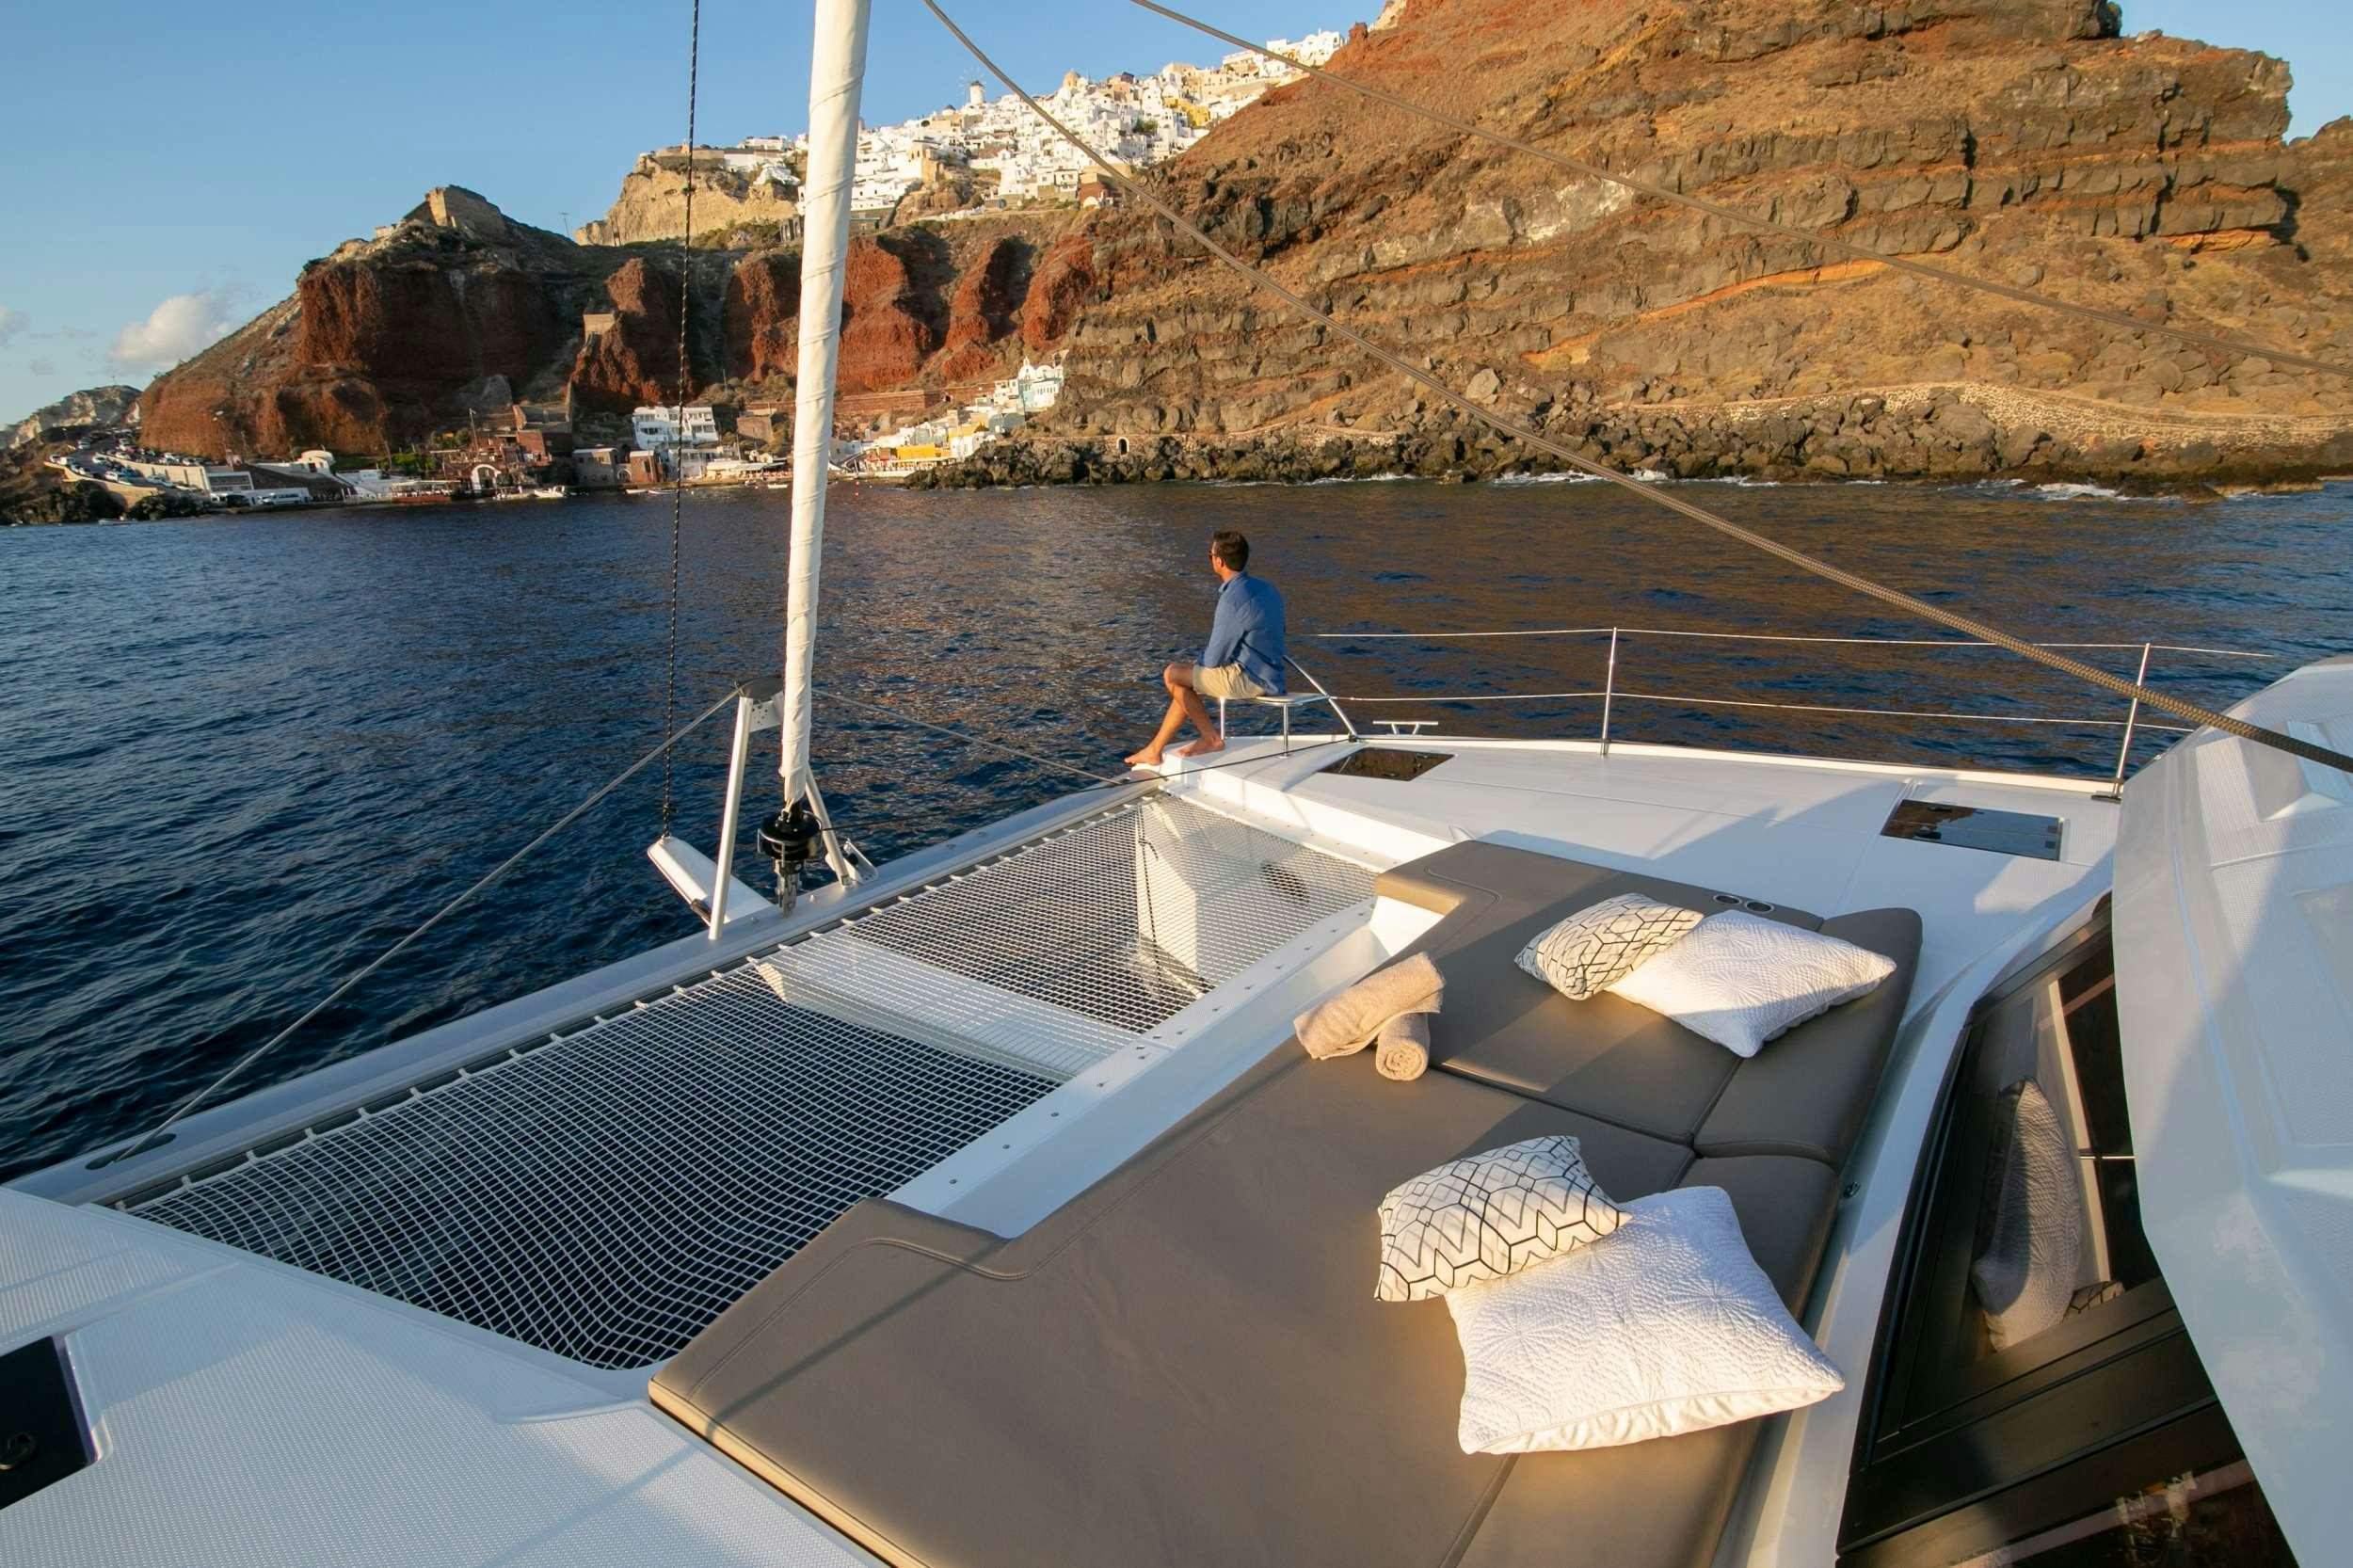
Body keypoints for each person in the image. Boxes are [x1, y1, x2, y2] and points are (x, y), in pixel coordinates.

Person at [1126, 529, 1286, 767]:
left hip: (1251, 679)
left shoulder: (1232, 600)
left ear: (1219, 561)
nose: (1210, 559)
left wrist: (1198, 665)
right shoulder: (1267, 588)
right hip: (1273, 673)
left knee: (1172, 674)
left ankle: (1211, 738)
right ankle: (1154, 749)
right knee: (1187, 680)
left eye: (1209, 555)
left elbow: (1212, 660)